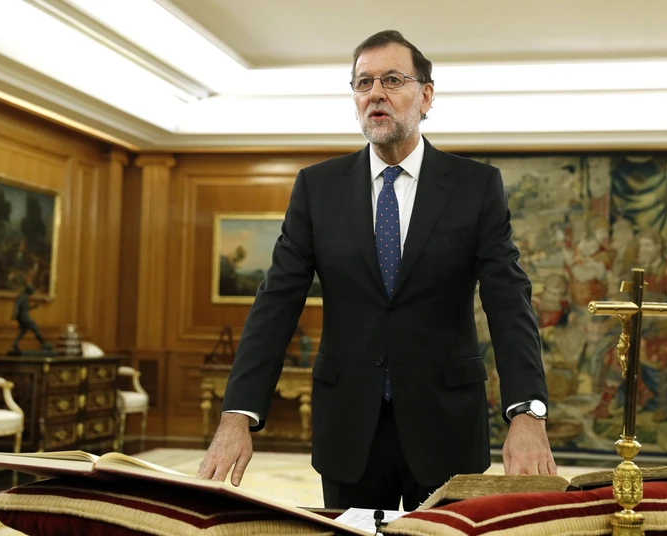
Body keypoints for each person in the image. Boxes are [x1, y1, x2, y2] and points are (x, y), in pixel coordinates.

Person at [197, 30, 556, 511]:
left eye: (392, 79)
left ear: (426, 96)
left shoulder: (476, 187)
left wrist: (527, 412)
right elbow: (275, 303)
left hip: (446, 426)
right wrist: (237, 414)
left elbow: (509, 302)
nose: (375, 93)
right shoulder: (317, 189)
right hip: (348, 429)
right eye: (363, 83)